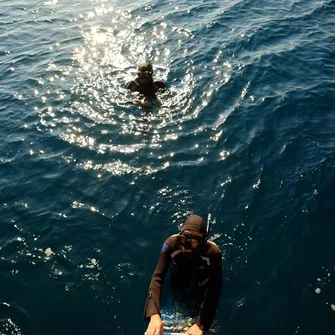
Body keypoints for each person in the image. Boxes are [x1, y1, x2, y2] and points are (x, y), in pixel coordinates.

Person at [144, 215, 222, 335]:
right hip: (179, 271)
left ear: (202, 241)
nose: (185, 247)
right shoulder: (171, 244)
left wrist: (201, 324)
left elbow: (215, 288)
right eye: (183, 240)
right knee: (177, 293)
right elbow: (157, 278)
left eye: (193, 243)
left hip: (202, 273)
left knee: (199, 297)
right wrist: (154, 314)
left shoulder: (213, 253)